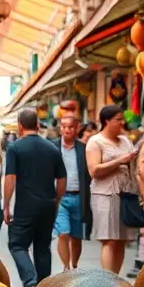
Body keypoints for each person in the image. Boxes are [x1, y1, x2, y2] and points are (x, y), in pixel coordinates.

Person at [4, 108, 66, 287]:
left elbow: (10, 178)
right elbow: (62, 179)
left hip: (25, 206)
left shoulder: (15, 148)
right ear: (38, 125)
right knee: (42, 247)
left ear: (20, 125)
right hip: (47, 205)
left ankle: (30, 281)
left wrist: (6, 205)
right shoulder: (53, 148)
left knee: (17, 245)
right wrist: (56, 200)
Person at [86, 104, 139, 275]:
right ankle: (107, 278)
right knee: (109, 239)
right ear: (107, 121)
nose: (122, 122)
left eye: (122, 119)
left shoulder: (125, 140)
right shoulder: (95, 142)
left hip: (125, 193)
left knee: (121, 239)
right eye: (118, 119)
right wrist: (119, 161)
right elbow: (93, 171)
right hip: (105, 194)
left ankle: (116, 278)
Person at [53, 112, 92, 271]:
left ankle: (75, 266)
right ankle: (66, 268)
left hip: (79, 197)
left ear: (77, 128)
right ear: (60, 128)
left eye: (70, 127)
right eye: (64, 127)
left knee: (77, 237)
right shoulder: (52, 147)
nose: (67, 130)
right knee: (63, 233)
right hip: (60, 197)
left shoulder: (84, 148)